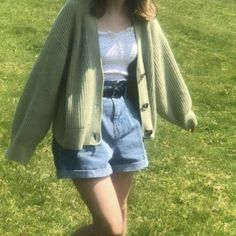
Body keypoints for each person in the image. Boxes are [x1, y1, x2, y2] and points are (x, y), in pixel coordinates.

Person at [5, 0, 197, 235]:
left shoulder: (142, 13)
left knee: (121, 212)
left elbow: (163, 62)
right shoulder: (76, 10)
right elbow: (48, 71)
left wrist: (184, 111)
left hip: (127, 120)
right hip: (84, 123)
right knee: (111, 228)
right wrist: (26, 137)